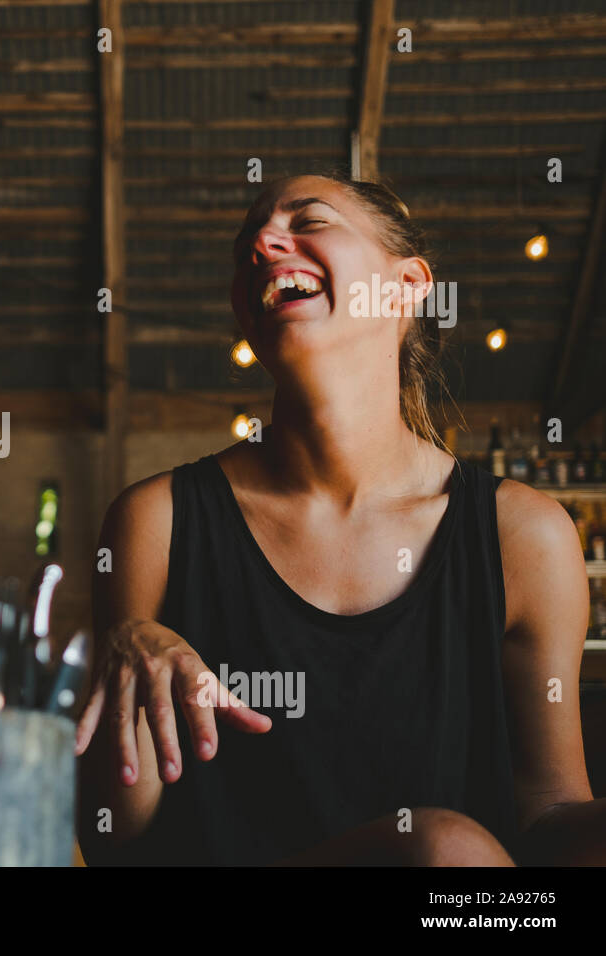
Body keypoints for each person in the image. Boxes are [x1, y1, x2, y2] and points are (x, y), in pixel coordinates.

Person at [76, 173, 604, 865]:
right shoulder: (155, 522)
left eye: (310, 221)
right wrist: (124, 675)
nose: (263, 246)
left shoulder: (525, 537)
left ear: (408, 284)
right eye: (247, 248)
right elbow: (114, 840)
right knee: (444, 852)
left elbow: (551, 814)